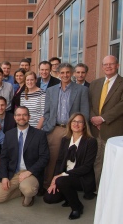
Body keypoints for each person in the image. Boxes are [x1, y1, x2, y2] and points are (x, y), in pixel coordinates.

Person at [43, 63, 89, 191]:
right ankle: (47, 185)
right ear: (58, 74)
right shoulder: (51, 90)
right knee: (52, 158)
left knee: (71, 160)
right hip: (55, 129)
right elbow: (47, 112)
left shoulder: (81, 90)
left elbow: (84, 112)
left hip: (74, 130)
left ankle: (67, 187)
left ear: (72, 73)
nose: (65, 75)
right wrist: (47, 126)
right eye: (62, 73)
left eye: (68, 72)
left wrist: (81, 131)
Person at [44, 113, 97, 220]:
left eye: (80, 122)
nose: (76, 124)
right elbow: (59, 162)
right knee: (49, 198)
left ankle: (77, 207)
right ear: (70, 124)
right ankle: (68, 195)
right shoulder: (65, 139)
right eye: (74, 121)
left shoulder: (91, 141)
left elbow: (87, 167)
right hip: (65, 177)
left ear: (84, 125)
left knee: (62, 181)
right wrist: (54, 179)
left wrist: (61, 176)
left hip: (82, 178)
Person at [0, 106, 49, 206]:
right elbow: (4, 157)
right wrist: (4, 176)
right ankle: (20, 190)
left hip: (31, 172)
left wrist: (29, 172)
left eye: (24, 115)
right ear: (14, 117)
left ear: (29, 117)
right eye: (18, 115)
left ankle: (29, 195)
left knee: (28, 190)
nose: (21, 117)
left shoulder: (40, 135)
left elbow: (45, 158)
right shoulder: (9, 134)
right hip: (13, 171)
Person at [89, 55, 123, 188]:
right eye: (105, 64)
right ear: (102, 67)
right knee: (96, 161)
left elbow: (121, 105)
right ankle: (98, 189)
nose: (108, 66)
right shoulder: (95, 83)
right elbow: (90, 104)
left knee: (112, 164)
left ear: (117, 65)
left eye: (111, 64)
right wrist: (94, 119)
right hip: (95, 130)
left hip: (113, 130)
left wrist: (102, 119)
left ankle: (111, 190)